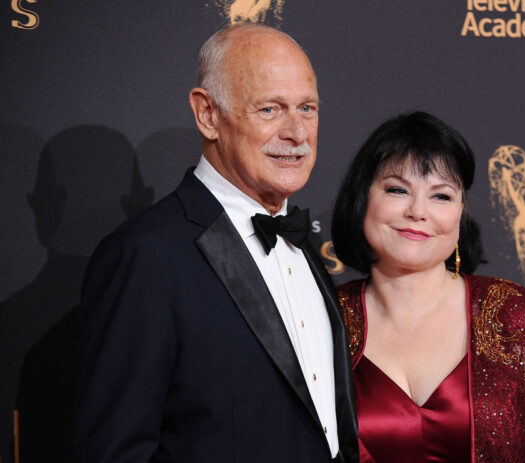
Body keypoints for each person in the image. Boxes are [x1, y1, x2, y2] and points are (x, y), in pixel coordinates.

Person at [72, 24, 358, 463]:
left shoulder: (303, 250)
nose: (297, 133)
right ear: (207, 114)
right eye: (270, 109)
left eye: (307, 108)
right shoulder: (146, 256)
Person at [332, 111, 525, 462]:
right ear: (362, 199)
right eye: (397, 190)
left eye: (441, 196)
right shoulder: (324, 317)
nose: (418, 211)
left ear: (460, 214)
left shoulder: (512, 313)